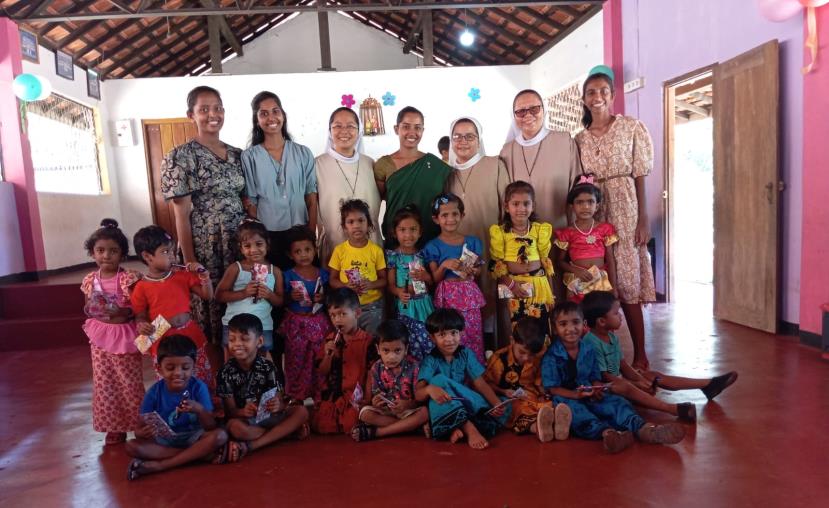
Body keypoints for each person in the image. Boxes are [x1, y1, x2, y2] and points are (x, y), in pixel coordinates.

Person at [574, 67, 656, 370]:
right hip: (593, 208)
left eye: (603, 91)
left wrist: (643, 218)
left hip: (625, 207)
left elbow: (640, 174)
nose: (597, 97)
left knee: (628, 279)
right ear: (584, 99)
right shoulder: (579, 139)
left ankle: (641, 354)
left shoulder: (631, 127)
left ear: (612, 95)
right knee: (596, 278)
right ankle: (600, 356)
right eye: (591, 92)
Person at [161, 85, 245, 347]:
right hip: (206, 242)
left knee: (239, 300)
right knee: (209, 305)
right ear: (191, 115)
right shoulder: (181, 156)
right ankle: (213, 366)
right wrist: (190, 260)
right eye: (204, 109)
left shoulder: (238, 155)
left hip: (239, 240)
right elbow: (181, 213)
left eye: (218, 108)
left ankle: (239, 362)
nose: (213, 114)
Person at [541, 302, 686, 454]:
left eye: (575, 322)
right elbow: (553, 388)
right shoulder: (551, 356)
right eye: (563, 324)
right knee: (577, 413)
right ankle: (609, 434)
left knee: (617, 403)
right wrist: (576, 395)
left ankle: (645, 429)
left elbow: (594, 376)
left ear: (584, 324)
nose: (571, 329)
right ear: (555, 328)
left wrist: (597, 387)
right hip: (566, 397)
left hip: (589, 392)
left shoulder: (588, 349)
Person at [581, 291, 738, 421]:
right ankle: (673, 409)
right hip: (603, 389)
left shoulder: (612, 337)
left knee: (653, 376)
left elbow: (622, 365)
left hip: (617, 381)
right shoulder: (591, 342)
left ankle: (708, 384)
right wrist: (635, 384)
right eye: (616, 313)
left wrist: (641, 380)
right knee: (627, 386)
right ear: (602, 321)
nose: (621, 316)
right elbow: (604, 376)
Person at [446, 117, 511, 350]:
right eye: (457, 136)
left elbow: (507, 209)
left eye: (469, 136)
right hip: (456, 253)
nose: (463, 141)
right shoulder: (447, 173)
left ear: (478, 139)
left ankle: (494, 351)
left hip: (490, 246)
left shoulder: (494, 165)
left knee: (491, 299)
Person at [126, 335, 228, 480]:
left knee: (220, 436)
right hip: (165, 441)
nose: (178, 373)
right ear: (159, 369)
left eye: (185, 368)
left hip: (194, 437)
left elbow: (211, 426)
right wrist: (143, 433)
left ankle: (162, 465)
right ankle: (198, 455)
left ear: (193, 368)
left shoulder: (199, 388)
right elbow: (138, 430)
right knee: (132, 446)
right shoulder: (153, 393)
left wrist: (199, 409)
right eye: (170, 368)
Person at [80, 219, 144, 446]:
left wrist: (122, 311)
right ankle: (114, 427)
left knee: (130, 382)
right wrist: (95, 309)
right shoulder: (90, 280)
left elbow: (139, 308)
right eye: (100, 250)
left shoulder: (129, 278)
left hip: (124, 335)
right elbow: (88, 306)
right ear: (92, 253)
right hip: (100, 336)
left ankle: (140, 425)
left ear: (123, 254)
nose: (106, 255)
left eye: (113, 251)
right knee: (105, 383)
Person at [217, 314, 310, 462]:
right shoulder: (225, 372)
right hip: (246, 421)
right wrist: (243, 411)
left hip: (268, 417)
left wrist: (277, 405)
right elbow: (230, 411)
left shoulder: (268, 367)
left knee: (302, 411)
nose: (237, 344)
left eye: (244, 339)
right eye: (232, 339)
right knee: (234, 428)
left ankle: (253, 445)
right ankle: (283, 433)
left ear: (259, 341)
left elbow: (279, 400)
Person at [242, 91, 318, 270]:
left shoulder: (303, 153)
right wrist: (259, 240)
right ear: (257, 120)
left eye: (275, 111)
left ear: (283, 115)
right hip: (268, 235)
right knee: (273, 281)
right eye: (264, 113)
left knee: (302, 280)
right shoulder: (250, 157)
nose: (271, 118)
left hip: (300, 232)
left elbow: (311, 196)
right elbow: (251, 201)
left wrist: (310, 233)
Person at [131, 225, 214, 387]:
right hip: (163, 339)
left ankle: (202, 400)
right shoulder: (141, 287)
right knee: (171, 380)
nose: (172, 256)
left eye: (172, 251)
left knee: (199, 376)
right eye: (165, 252)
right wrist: (142, 325)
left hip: (189, 335)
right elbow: (140, 315)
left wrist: (204, 277)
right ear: (147, 256)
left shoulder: (182, 276)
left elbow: (207, 295)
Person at [415, 308, 504, 450]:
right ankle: (469, 428)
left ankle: (454, 429)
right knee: (438, 381)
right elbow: (418, 395)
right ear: (432, 337)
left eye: (454, 333)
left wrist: (496, 403)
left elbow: (480, 384)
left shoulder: (466, 354)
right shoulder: (430, 360)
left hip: (465, 402)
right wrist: (429, 389)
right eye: (442, 334)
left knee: (505, 404)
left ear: (461, 333)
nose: (449, 339)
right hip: (443, 405)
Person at [499, 89, 581, 230]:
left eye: (534, 109)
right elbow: (503, 195)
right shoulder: (507, 151)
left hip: (559, 229)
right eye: (521, 111)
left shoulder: (564, 141)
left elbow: (577, 187)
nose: (528, 115)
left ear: (544, 110)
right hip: (519, 233)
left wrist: (576, 230)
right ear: (514, 116)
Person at [374, 106, 452, 247]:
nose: (412, 132)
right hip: (396, 239)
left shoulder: (436, 166)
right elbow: (379, 200)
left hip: (430, 239)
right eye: (406, 127)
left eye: (417, 127)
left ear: (423, 130)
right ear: (396, 129)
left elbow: (446, 201)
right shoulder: (384, 164)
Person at [484, 317, 571, 442]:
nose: (526, 358)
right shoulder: (499, 359)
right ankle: (538, 428)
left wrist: (543, 394)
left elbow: (539, 382)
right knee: (518, 409)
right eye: (522, 352)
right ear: (512, 340)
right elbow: (486, 384)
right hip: (509, 399)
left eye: (531, 355)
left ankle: (556, 425)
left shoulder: (540, 355)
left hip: (532, 396)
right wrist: (503, 391)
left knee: (548, 405)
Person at [424, 193, 486, 363]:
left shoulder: (472, 242)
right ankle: (452, 371)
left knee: (472, 334)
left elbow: (479, 270)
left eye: (455, 214)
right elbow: (434, 279)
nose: (450, 219)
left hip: (469, 296)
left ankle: (474, 371)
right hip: (447, 298)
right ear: (436, 219)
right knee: (450, 335)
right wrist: (445, 265)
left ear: (462, 215)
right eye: (444, 215)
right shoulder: (432, 246)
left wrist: (473, 270)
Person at [489, 181, 555, 341]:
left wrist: (551, 294)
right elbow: (495, 265)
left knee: (540, 328)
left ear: (533, 206)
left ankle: (541, 355)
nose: (521, 208)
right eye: (515, 204)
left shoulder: (539, 230)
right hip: (513, 287)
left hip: (539, 286)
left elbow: (546, 263)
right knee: (517, 329)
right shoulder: (500, 233)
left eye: (526, 203)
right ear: (506, 207)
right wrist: (511, 284)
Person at [316, 107, 381, 265]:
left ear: (359, 132)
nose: (344, 131)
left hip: (371, 248)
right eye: (337, 126)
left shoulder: (370, 164)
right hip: (335, 247)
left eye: (351, 126)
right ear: (329, 131)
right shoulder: (317, 165)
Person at [215, 219, 283, 362]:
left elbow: (280, 301)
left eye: (259, 244)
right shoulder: (236, 268)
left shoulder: (275, 271)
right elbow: (219, 295)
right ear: (241, 248)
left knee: (262, 361)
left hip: (262, 325)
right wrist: (244, 293)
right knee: (232, 362)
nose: (253, 250)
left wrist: (269, 295)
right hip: (234, 325)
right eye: (247, 246)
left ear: (267, 244)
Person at [351, 320, 429, 442]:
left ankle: (379, 432)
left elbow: (420, 400)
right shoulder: (376, 368)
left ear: (406, 349)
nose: (391, 357)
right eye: (386, 350)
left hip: (407, 411)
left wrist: (407, 404)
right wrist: (376, 402)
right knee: (364, 414)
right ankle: (413, 428)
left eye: (397, 350)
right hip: (386, 412)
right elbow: (376, 396)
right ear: (378, 349)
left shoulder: (414, 367)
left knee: (424, 413)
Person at [279, 225, 334, 401]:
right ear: (290, 255)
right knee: (296, 359)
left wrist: (323, 298)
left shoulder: (323, 274)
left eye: (308, 250)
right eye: (298, 251)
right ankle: (296, 398)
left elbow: (330, 298)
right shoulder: (287, 275)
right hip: (296, 325)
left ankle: (319, 396)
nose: (304, 255)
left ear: (315, 250)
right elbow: (280, 300)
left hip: (319, 324)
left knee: (318, 358)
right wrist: (290, 297)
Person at [312, 288, 375, 434]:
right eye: (333, 315)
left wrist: (367, 398)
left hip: (355, 397)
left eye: (342, 314)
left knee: (351, 424)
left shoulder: (368, 341)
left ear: (357, 313)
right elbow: (322, 371)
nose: (337, 320)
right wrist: (328, 356)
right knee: (323, 426)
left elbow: (371, 373)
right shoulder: (330, 340)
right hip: (334, 396)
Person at [554, 174, 619, 302]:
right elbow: (560, 261)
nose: (586, 207)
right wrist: (575, 271)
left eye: (590, 202)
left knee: (600, 313)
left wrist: (614, 287)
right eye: (580, 202)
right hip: (577, 283)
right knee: (577, 312)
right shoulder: (567, 233)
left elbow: (610, 260)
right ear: (572, 206)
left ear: (597, 206)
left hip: (601, 282)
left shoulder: (605, 229)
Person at [328, 199, 387, 336]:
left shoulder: (376, 251)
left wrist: (371, 284)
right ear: (344, 227)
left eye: (361, 220)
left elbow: (384, 280)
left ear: (369, 224)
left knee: (372, 340)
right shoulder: (339, 251)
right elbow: (332, 280)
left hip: (372, 307)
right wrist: (346, 286)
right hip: (346, 308)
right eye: (351, 222)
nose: (356, 226)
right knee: (349, 340)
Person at [385, 205, 435, 361]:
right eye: (402, 230)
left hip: (424, 305)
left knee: (429, 340)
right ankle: (414, 373)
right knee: (410, 343)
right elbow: (390, 285)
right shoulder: (393, 256)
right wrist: (399, 292)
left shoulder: (423, 254)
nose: (408, 235)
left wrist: (426, 276)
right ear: (395, 232)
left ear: (420, 232)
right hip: (405, 306)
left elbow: (431, 282)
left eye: (413, 229)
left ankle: (430, 370)